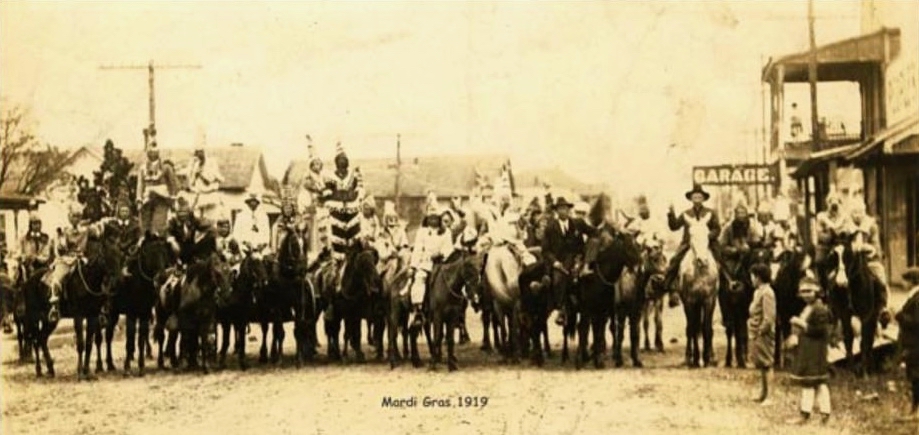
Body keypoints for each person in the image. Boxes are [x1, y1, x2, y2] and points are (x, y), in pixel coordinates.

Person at [42, 203, 110, 322]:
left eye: (78, 216)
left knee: (97, 276)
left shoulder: (86, 229)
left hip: (81, 258)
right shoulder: (63, 230)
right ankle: (55, 307)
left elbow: (99, 233)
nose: (76, 219)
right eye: (74, 216)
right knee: (57, 279)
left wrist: (98, 223)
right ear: (69, 217)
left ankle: (101, 308)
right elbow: (60, 247)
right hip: (66, 259)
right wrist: (62, 243)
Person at [663, 184, 722, 308]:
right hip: (689, 243)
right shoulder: (686, 213)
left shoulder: (710, 213)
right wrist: (671, 213)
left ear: (703, 198)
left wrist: (706, 236)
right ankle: (670, 288)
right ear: (691, 198)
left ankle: (726, 285)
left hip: (707, 243)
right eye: (694, 196)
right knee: (675, 261)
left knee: (721, 259)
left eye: (699, 196)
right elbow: (674, 226)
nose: (697, 198)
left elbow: (717, 229)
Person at [786, 275, 833, 425]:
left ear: (817, 292)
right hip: (808, 349)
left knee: (812, 382)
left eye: (809, 291)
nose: (805, 295)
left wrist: (801, 324)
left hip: (816, 350)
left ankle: (807, 414)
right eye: (803, 292)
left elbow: (821, 330)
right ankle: (823, 412)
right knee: (816, 382)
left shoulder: (820, 309)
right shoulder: (808, 308)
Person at [542, 197, 594, 326]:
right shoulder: (550, 227)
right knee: (559, 279)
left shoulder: (578, 223)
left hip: (577, 258)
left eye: (565, 208)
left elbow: (593, 232)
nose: (563, 211)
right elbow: (545, 250)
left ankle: (588, 307)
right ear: (556, 211)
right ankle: (561, 309)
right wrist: (555, 262)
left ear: (569, 210)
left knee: (588, 278)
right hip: (559, 262)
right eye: (560, 209)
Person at [323, 142, 364, 293]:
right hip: (337, 211)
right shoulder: (330, 176)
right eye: (340, 159)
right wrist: (334, 198)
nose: (342, 162)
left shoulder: (354, 175)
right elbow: (327, 193)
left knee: (354, 241)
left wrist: (354, 197)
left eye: (344, 159)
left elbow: (359, 190)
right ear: (336, 161)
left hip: (351, 210)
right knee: (337, 243)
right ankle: (336, 278)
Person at [407, 204, 455, 325]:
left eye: (435, 217)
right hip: (426, 262)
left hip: (441, 262)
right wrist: (413, 266)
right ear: (427, 218)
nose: (433, 220)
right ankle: (418, 309)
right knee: (419, 278)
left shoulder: (446, 232)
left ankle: (455, 308)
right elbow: (418, 249)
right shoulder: (422, 232)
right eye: (430, 217)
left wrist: (440, 253)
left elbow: (449, 249)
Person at [845, 200, 890, 323]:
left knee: (879, 274)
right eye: (854, 212)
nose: (857, 215)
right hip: (851, 260)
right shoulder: (846, 227)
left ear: (864, 212)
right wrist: (850, 248)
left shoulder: (871, 226)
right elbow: (843, 243)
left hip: (869, 259)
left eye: (860, 212)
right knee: (838, 276)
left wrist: (868, 248)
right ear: (850, 214)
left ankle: (883, 306)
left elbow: (876, 244)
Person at [749, 263, 776, 405]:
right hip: (756, 332)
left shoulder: (768, 293)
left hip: (763, 334)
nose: (751, 279)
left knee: (767, 364)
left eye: (753, 276)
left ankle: (770, 396)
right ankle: (763, 393)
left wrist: (761, 331)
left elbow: (769, 317)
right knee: (761, 364)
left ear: (758, 278)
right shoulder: (758, 292)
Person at [138, 142, 179, 235]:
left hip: (162, 198)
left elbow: (173, 184)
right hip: (147, 198)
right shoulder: (143, 168)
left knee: (158, 223)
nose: (152, 154)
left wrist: (172, 198)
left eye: (155, 152)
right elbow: (140, 185)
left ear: (158, 153)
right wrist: (139, 200)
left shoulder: (166, 167)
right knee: (145, 223)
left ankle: (157, 239)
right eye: (150, 152)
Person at [896, 267, 919, 422]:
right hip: (912, 343)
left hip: (915, 344)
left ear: (911, 281)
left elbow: (916, 321)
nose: (903, 283)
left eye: (905, 280)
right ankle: (915, 408)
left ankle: (916, 409)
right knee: (913, 375)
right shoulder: (913, 296)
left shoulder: (917, 298)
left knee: (916, 375)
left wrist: (900, 316)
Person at [104, 196, 143, 283]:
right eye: (122, 211)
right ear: (118, 212)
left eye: (126, 211)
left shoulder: (134, 225)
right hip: (115, 252)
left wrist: (132, 246)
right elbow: (106, 238)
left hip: (130, 251)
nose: (124, 213)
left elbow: (138, 238)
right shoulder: (111, 225)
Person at [814, 191, 848, 288]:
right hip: (826, 246)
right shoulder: (822, 217)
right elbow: (820, 234)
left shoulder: (844, 217)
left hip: (841, 244)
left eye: (837, 202)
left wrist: (843, 233)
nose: (834, 205)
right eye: (831, 202)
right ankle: (822, 286)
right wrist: (829, 234)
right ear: (827, 203)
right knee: (819, 261)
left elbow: (847, 230)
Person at [185, 147, 224, 219]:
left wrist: (202, 175)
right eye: (197, 153)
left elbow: (214, 180)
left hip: (210, 196)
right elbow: (191, 183)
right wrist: (195, 174)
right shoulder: (196, 165)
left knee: (211, 219)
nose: (198, 155)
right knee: (197, 219)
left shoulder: (211, 164)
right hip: (200, 197)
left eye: (200, 152)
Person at [232, 193, 271, 259]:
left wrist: (263, 244)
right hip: (245, 248)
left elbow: (267, 233)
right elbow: (236, 234)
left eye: (255, 201)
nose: (253, 203)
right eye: (251, 201)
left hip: (260, 249)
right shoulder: (240, 216)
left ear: (258, 203)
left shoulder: (264, 216)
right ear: (247, 202)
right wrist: (245, 242)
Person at [17, 211, 53, 278]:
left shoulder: (45, 238)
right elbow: (21, 252)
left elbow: (46, 254)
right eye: (34, 224)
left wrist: (36, 258)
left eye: (39, 223)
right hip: (28, 265)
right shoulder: (25, 239)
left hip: (42, 266)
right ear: (30, 225)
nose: (37, 226)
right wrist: (25, 257)